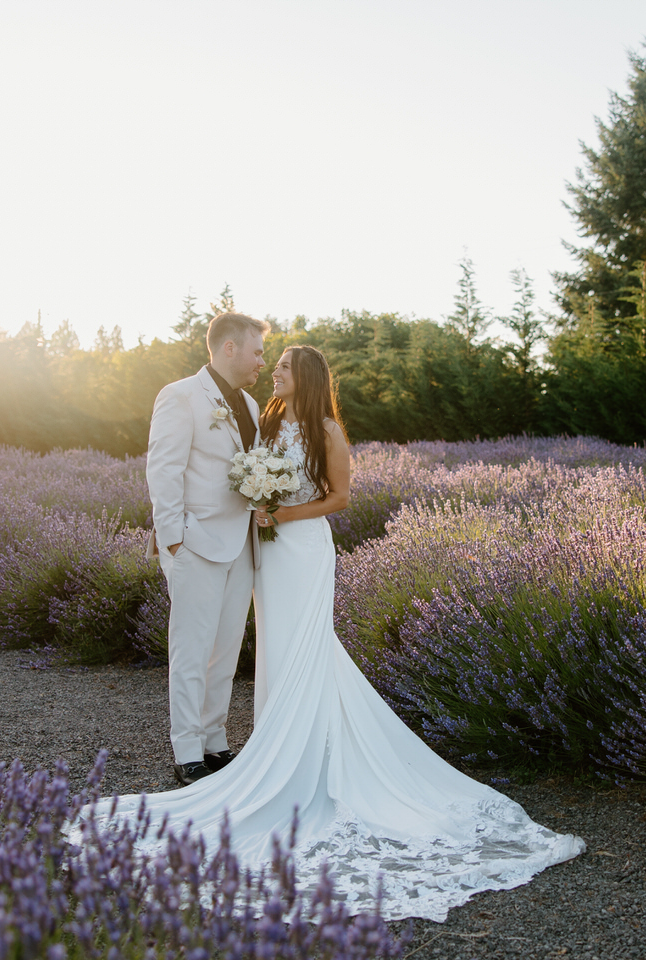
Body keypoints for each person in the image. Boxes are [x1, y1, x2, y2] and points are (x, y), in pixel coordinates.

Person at [99, 344, 585, 923]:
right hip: (265, 554)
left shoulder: (326, 427)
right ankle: (268, 746)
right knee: (275, 647)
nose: (270, 370)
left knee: (307, 646)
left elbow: (340, 498)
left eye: (280, 366)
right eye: (267, 360)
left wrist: (280, 514)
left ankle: (307, 753)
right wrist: (196, 517)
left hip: (301, 549)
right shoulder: (268, 415)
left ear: (302, 375)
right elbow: (210, 472)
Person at [145, 311, 268, 785]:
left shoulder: (252, 407)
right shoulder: (180, 396)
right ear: (230, 348)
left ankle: (215, 738)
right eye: (256, 351)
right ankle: (186, 747)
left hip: (242, 545)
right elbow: (163, 471)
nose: (262, 360)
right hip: (195, 543)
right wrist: (173, 539)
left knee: (226, 648)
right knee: (192, 648)